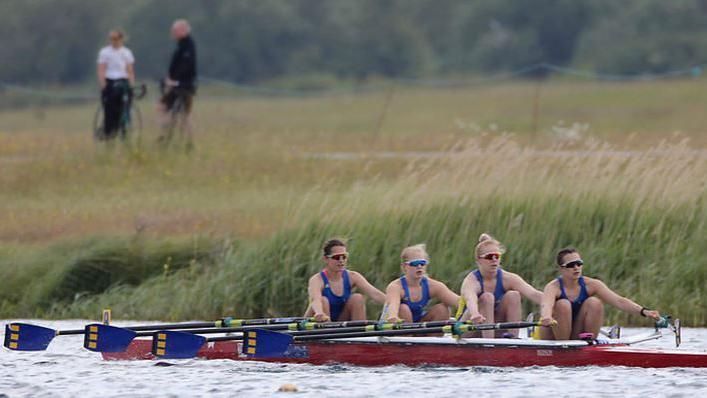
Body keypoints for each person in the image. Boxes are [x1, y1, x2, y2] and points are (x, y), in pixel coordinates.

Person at [539, 247, 661, 340]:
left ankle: (588, 343)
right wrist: (546, 317)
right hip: (554, 336)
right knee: (563, 304)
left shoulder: (592, 284)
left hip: (576, 332)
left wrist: (644, 311)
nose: (576, 268)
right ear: (561, 269)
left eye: (579, 263)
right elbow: (546, 305)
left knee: (594, 303)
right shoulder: (553, 287)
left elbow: (619, 301)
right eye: (571, 265)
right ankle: (564, 349)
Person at [458, 233, 543, 337]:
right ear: (479, 260)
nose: (494, 260)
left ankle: (513, 340)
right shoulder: (471, 281)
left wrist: (552, 304)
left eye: (497, 256)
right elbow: (471, 299)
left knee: (514, 295)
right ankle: (489, 345)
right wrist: (475, 313)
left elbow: (533, 294)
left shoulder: (508, 278)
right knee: (487, 297)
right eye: (489, 257)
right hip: (470, 326)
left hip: (494, 326)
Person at [305, 239, 386, 322]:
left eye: (344, 257)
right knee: (323, 301)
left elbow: (375, 294)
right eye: (336, 257)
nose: (341, 261)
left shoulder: (353, 276)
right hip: (320, 318)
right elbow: (315, 299)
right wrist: (319, 313)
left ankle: (357, 333)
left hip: (340, 320)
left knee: (357, 298)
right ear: (326, 259)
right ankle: (327, 331)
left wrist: (393, 306)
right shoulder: (317, 279)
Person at [384, 244, 459, 323]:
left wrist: (471, 306)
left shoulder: (433, 285)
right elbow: (393, 306)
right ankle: (407, 334)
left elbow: (458, 302)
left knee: (442, 310)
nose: (419, 266)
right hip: (396, 324)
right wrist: (393, 317)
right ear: (404, 267)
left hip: (417, 324)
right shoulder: (395, 287)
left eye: (422, 263)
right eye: (415, 263)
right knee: (403, 309)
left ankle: (433, 335)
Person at [158, 19, 197, 150]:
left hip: (184, 86)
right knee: (163, 107)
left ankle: (189, 143)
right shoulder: (181, 45)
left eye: (175, 30)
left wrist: (175, 80)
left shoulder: (188, 46)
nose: (173, 33)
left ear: (184, 30)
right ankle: (164, 136)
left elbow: (187, 66)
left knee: (184, 115)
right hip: (176, 85)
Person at [97, 29, 135, 139]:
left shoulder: (127, 53)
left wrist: (131, 85)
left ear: (121, 39)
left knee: (125, 107)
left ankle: (125, 129)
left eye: (115, 39)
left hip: (123, 81)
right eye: (111, 39)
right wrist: (103, 84)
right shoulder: (105, 52)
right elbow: (101, 69)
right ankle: (109, 132)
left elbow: (130, 70)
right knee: (110, 110)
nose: (113, 41)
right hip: (110, 81)